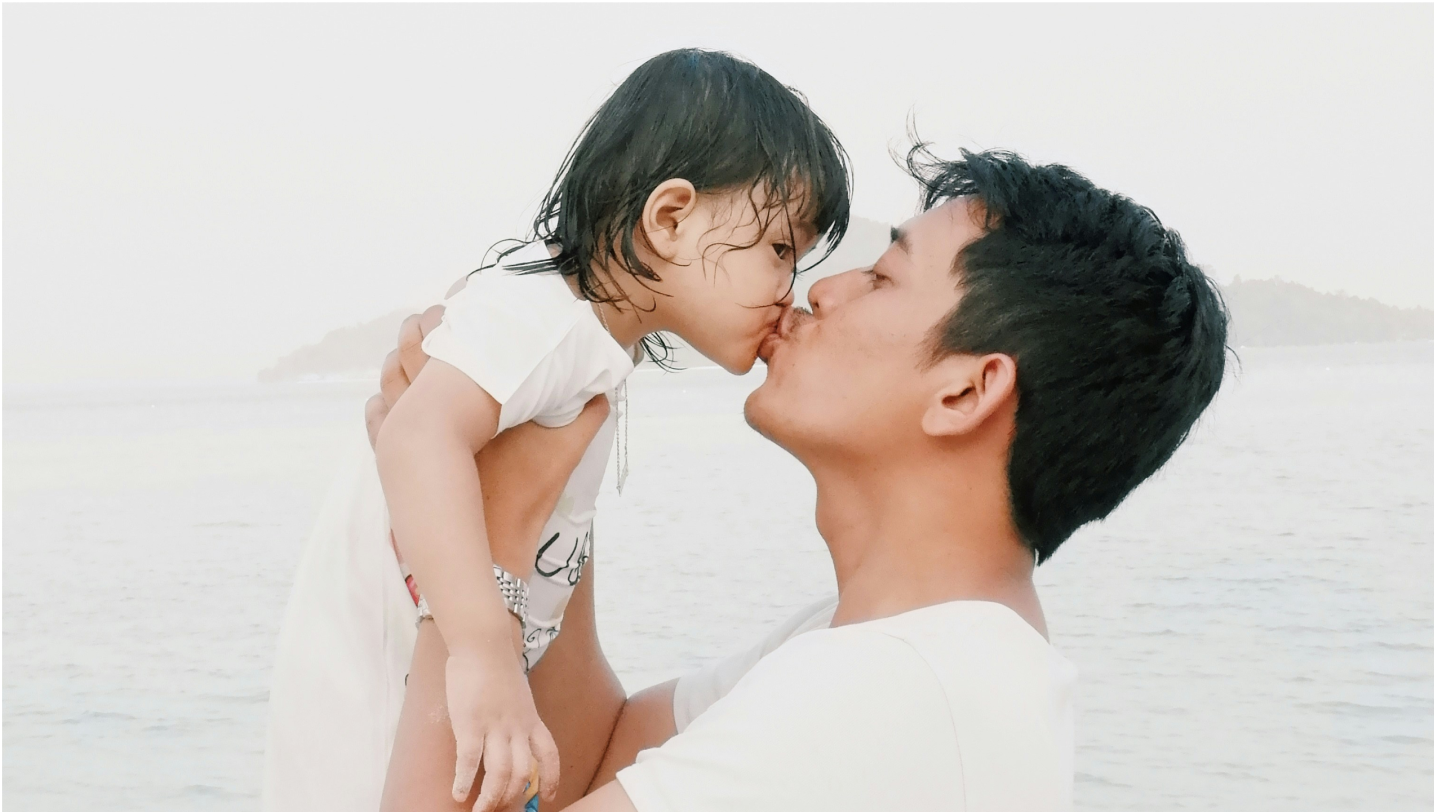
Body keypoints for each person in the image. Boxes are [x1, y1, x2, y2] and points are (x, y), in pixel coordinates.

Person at [372, 146, 1230, 811]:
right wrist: (552, 441)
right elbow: (590, 758)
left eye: (885, 276)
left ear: (967, 390)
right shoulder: (906, 651)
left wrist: (465, 552)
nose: (823, 291)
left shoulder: (892, 692)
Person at [262, 48, 850, 812]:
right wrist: (484, 653)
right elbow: (413, 437)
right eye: (780, 251)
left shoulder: (588, 349)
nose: (788, 291)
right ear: (669, 218)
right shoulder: (539, 316)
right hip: (371, 714)